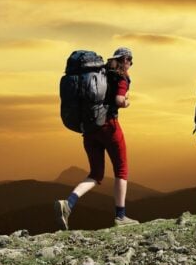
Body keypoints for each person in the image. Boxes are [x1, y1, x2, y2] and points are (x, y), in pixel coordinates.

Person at [55, 47, 139, 230]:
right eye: (130, 61)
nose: (130, 65)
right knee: (121, 170)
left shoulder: (101, 73)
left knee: (95, 174)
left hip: (89, 129)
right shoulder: (121, 76)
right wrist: (127, 102)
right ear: (125, 59)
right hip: (109, 127)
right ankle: (121, 216)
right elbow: (118, 100)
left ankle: (68, 203)